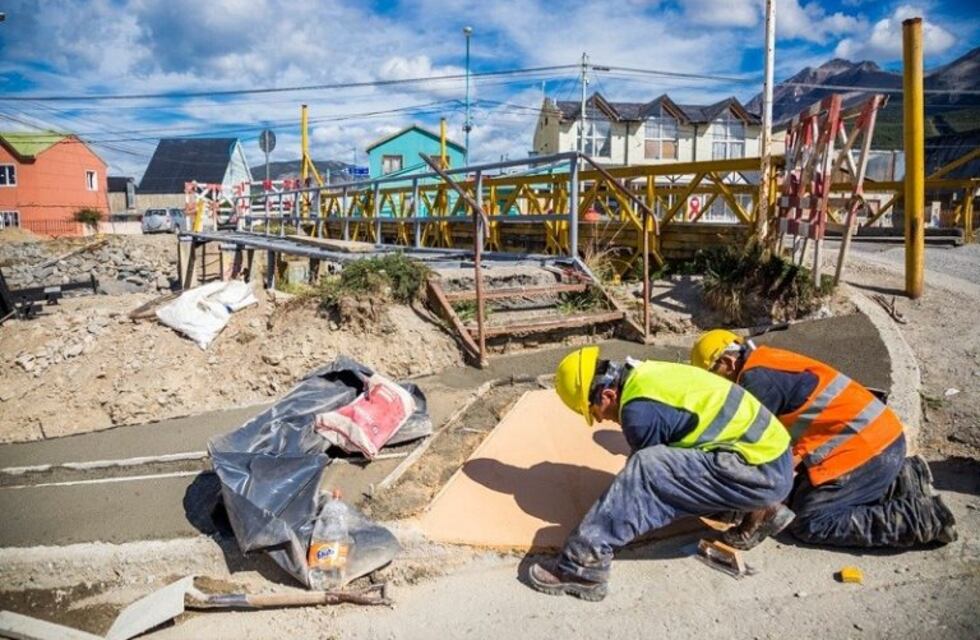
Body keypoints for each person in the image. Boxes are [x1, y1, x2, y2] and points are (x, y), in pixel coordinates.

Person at [527, 346, 795, 602]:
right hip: (771, 459)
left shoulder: (638, 413)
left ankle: (582, 567)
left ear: (607, 395)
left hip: (758, 470)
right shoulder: (648, 374)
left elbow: (646, 485)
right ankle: (760, 512)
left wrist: (613, 506)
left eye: (596, 413)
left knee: (646, 468)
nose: (601, 420)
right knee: (670, 470)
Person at [690, 329, 957, 549]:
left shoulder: (757, 384)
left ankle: (923, 519)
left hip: (868, 450)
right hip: (880, 437)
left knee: (811, 521)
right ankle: (902, 479)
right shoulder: (764, 361)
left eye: (713, 376)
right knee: (798, 492)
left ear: (727, 363)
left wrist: (752, 523)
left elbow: (761, 457)